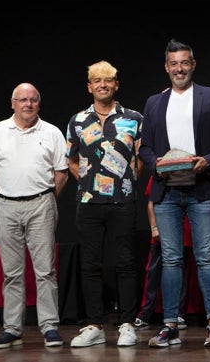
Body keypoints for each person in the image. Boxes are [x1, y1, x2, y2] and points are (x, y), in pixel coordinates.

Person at [139, 38, 210, 348]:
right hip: (167, 192)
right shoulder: (154, 103)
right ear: (167, 67)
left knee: (206, 258)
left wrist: (208, 160)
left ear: (193, 64)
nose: (179, 68)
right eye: (173, 63)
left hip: (202, 189)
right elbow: (146, 148)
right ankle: (169, 327)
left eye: (184, 62)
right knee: (171, 259)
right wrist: (157, 165)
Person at [0, 82, 68, 349]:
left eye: (33, 100)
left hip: (41, 203)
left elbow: (61, 173)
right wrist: (10, 193)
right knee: (12, 273)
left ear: (39, 104)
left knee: (45, 271)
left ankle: (49, 327)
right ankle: (12, 329)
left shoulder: (52, 132)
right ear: (13, 103)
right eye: (22, 100)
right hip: (6, 206)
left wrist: (44, 200)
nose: (28, 104)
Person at [65, 60, 144, 348]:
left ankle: (126, 323)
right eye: (97, 81)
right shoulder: (77, 120)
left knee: (125, 263)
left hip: (123, 201)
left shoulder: (133, 118)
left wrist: (126, 181)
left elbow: (141, 159)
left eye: (108, 80)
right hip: (88, 203)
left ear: (116, 85)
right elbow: (71, 159)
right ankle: (94, 324)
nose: (103, 85)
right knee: (90, 264)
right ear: (90, 86)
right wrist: (88, 182)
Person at [134, 177, 189, 331]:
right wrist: (154, 227)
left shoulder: (190, 175)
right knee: (153, 274)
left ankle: (178, 314)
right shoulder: (159, 173)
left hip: (182, 233)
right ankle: (145, 313)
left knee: (181, 274)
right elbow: (151, 202)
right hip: (161, 231)